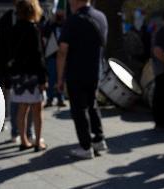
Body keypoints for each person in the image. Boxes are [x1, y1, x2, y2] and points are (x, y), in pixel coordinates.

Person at [57, 0, 108, 159]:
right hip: (95, 70)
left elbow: (62, 51)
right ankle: (99, 140)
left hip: (76, 72)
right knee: (92, 104)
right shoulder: (101, 17)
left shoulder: (72, 20)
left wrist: (60, 78)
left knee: (79, 109)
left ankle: (86, 147)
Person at [9, 0, 47, 152]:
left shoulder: (13, 29)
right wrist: (43, 78)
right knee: (37, 109)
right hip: (32, 74)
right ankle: (38, 141)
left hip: (18, 74)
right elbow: (38, 56)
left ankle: (24, 140)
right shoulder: (33, 29)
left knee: (22, 109)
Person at [0, 0, 34, 143]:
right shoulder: (6, 19)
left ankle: (29, 132)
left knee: (29, 101)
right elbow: (1, 46)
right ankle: (15, 132)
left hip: (29, 69)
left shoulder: (32, 19)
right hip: (11, 68)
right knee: (14, 100)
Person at [43, 10, 67, 108]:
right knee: (52, 78)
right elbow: (44, 35)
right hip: (52, 56)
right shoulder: (50, 26)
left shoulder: (65, 26)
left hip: (63, 56)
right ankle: (50, 99)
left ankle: (60, 98)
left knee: (61, 78)